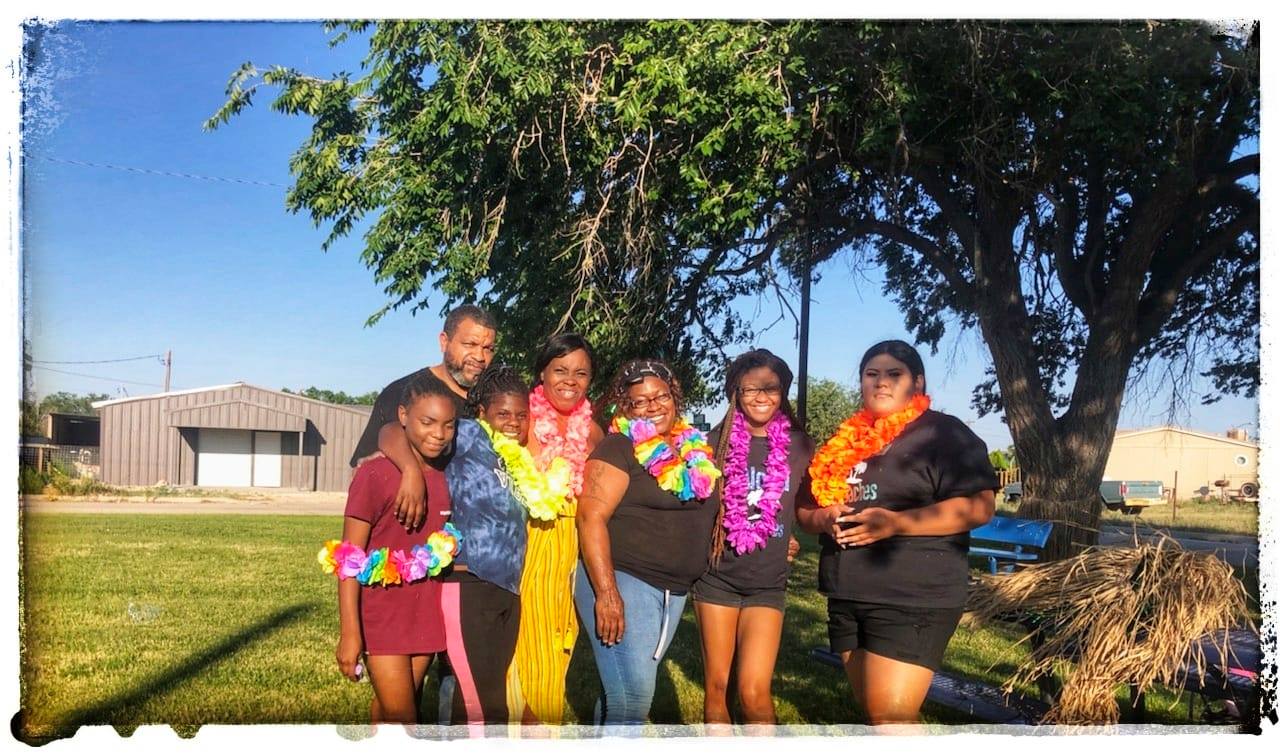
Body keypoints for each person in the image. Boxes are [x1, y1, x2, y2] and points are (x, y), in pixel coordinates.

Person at [796, 339, 997, 725]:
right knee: (881, 717)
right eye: (872, 374)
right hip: (846, 594)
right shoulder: (845, 442)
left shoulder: (942, 433)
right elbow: (804, 511)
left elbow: (979, 506)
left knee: (890, 720)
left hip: (913, 597)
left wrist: (896, 524)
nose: (881, 383)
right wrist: (822, 519)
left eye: (894, 374)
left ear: (917, 383)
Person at [575, 359, 722, 727]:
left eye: (660, 396)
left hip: (674, 590)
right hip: (625, 579)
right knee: (633, 697)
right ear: (626, 408)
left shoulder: (693, 451)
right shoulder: (618, 447)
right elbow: (589, 517)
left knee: (621, 692)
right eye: (639, 402)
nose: (653, 406)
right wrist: (607, 594)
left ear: (675, 397)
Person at [326, 373, 461, 725]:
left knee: (391, 714)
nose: (438, 434)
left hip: (425, 613)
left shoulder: (443, 474)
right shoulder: (375, 475)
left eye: (448, 425)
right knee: (405, 722)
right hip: (382, 616)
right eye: (427, 422)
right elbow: (349, 561)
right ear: (403, 416)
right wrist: (350, 632)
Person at [691, 349, 815, 727]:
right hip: (717, 579)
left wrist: (791, 534)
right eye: (751, 389)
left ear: (783, 392)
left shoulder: (801, 447)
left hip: (768, 584)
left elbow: (805, 505)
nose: (762, 397)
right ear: (735, 393)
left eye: (771, 388)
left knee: (755, 692)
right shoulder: (711, 444)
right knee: (716, 685)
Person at [509, 333, 604, 725]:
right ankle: (527, 723)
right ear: (542, 374)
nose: (570, 380)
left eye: (581, 373)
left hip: (575, 545)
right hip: (530, 540)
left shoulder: (594, 433)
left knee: (562, 635)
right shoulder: (521, 421)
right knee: (526, 638)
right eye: (560, 370)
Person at [439, 365, 536, 729]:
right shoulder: (467, 434)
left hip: (506, 589)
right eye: (503, 414)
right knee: (483, 706)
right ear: (482, 413)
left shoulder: (514, 458)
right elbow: (407, 433)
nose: (513, 422)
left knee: (488, 698)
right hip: (469, 583)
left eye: (521, 415)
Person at [350, 304, 497, 531]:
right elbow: (363, 471)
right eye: (470, 344)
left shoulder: (494, 402)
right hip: (409, 540)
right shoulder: (405, 393)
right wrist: (411, 470)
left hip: (475, 548)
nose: (479, 356)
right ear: (444, 341)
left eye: (488, 348)